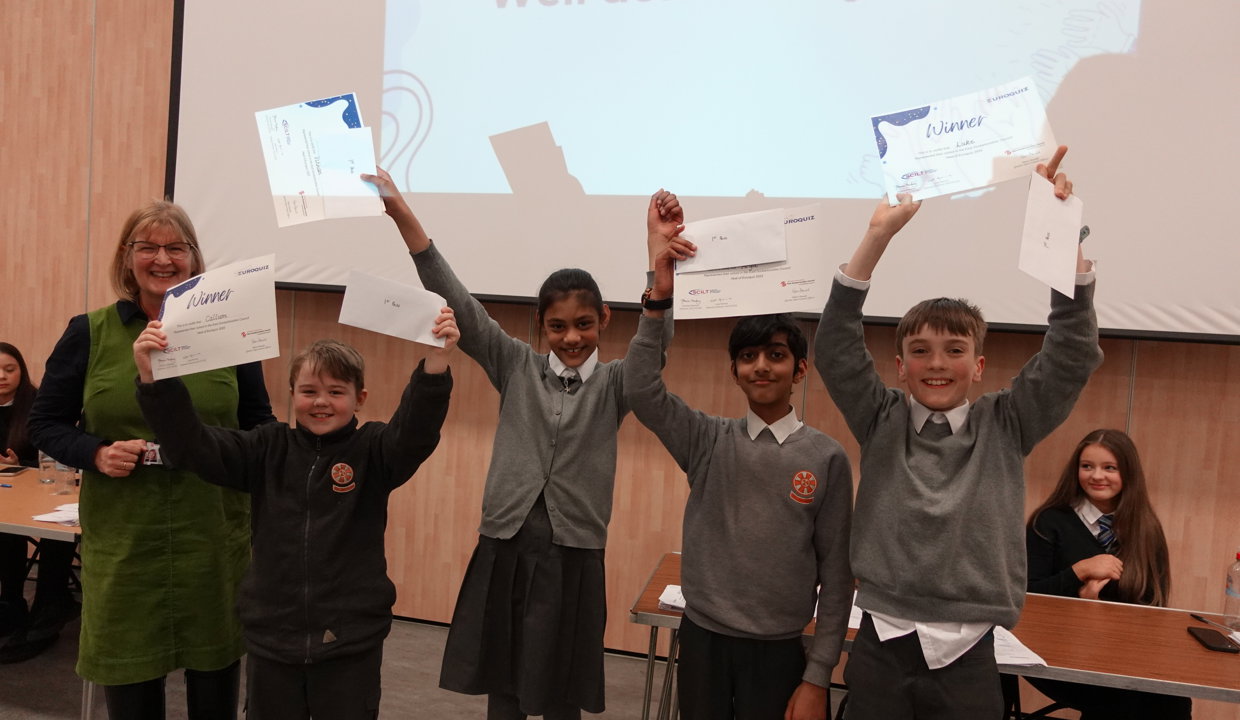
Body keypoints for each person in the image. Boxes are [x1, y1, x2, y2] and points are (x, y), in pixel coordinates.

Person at [362, 168, 687, 719]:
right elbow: (457, 301)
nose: (572, 337)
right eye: (558, 326)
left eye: (585, 324)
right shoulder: (514, 365)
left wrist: (659, 275)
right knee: (504, 685)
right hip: (505, 549)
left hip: (573, 557)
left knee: (562, 690)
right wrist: (402, 215)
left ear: (605, 320)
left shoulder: (615, 385)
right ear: (541, 327)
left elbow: (652, 352)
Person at [814, 146, 1103, 720]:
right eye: (919, 351)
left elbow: (1071, 353)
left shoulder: (1007, 422)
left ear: (978, 365)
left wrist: (1060, 233)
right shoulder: (881, 417)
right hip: (880, 642)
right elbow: (835, 346)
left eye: (954, 350)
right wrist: (876, 240)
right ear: (900, 367)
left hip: (971, 653)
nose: (936, 363)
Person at [132, 318, 458, 719]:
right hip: (273, 639)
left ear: (360, 398)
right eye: (309, 391)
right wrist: (154, 379)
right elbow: (191, 445)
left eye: (336, 392)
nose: (321, 401)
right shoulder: (267, 448)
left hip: (349, 642)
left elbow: (415, 433)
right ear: (291, 395)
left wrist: (436, 363)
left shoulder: (374, 450)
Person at [27, 201, 275, 720]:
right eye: (148, 247)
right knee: (130, 675)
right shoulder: (88, 332)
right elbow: (43, 423)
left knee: (215, 673)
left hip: (211, 528)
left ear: (193, 258)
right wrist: (94, 451)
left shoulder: (229, 330)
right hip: (125, 533)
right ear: (127, 257)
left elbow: (259, 426)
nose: (162, 259)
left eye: (175, 248)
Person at [623, 235, 853, 720]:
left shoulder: (826, 457)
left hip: (781, 652)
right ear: (734, 371)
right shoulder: (706, 439)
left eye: (775, 355)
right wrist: (658, 299)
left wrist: (818, 676)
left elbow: (837, 578)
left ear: (800, 369)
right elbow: (641, 388)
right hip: (704, 640)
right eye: (748, 357)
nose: (761, 366)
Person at [1024, 429, 1191, 719]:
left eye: (1109, 468)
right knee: (1121, 701)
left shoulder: (1146, 528)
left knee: (1173, 699)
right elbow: (1026, 598)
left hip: (1123, 656)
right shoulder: (1048, 522)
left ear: (1128, 473)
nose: (1096, 476)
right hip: (1052, 655)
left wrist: (1095, 608)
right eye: (1087, 466)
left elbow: (1154, 610)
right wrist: (1079, 573)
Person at [0, 342, 80, 663]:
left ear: (22, 370)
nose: (2, 377)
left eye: (9, 369)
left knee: (51, 533)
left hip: (41, 496)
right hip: (7, 496)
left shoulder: (36, 405)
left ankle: (48, 607)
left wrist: (23, 461)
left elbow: (53, 458)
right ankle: (10, 603)